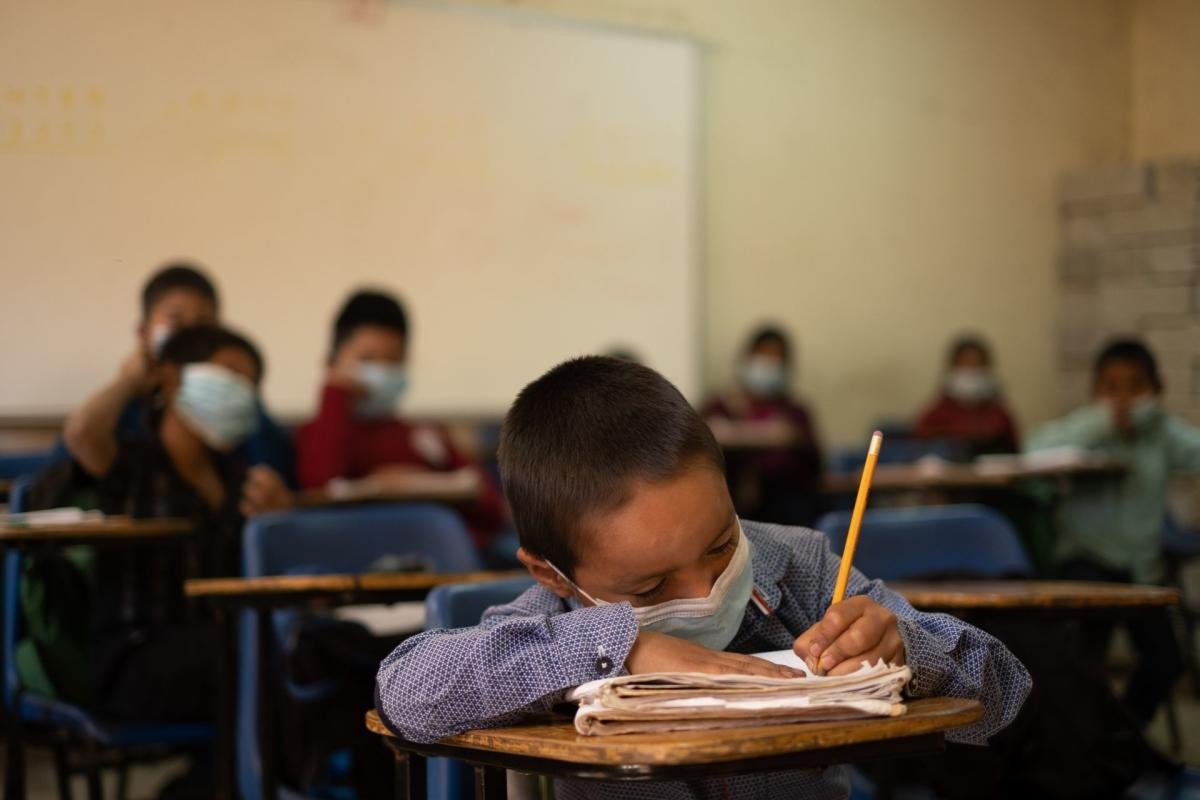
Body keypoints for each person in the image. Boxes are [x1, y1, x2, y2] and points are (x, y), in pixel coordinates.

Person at [376, 356, 1032, 800]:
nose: (706, 591)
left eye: (721, 546)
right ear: (552, 574)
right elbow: (405, 690)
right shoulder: (552, 624)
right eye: (651, 588)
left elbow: (1001, 692)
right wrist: (620, 647)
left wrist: (905, 655)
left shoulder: (801, 569)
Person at [19, 325, 290, 720]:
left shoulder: (240, 482)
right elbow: (81, 435)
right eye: (231, 374)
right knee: (264, 650)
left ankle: (233, 778)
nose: (242, 391)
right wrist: (130, 380)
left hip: (215, 647)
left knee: (284, 646)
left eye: (251, 383)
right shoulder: (131, 462)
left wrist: (274, 524)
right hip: (134, 657)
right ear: (174, 376)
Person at [1026, 338, 1200, 728]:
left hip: (1140, 568)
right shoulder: (1087, 427)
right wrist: (1101, 422)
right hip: (1085, 560)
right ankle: (1090, 746)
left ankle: (1123, 739)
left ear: (1157, 390)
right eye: (1110, 387)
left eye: (1135, 386)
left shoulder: (1164, 434)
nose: (1122, 398)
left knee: (1167, 660)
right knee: (1081, 658)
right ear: (1095, 392)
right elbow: (1034, 449)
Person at [295, 289, 506, 551]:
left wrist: (420, 481)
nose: (382, 370)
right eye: (367, 359)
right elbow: (319, 486)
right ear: (332, 363)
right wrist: (335, 393)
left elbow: (491, 508)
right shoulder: (315, 433)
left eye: (394, 360)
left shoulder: (428, 434)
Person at [60, 262, 297, 487]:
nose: (189, 333)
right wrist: (129, 382)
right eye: (175, 320)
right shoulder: (123, 411)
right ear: (144, 333)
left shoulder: (230, 404)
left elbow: (276, 468)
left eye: (203, 324)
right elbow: (76, 447)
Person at [703, 325, 823, 525]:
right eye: (762, 356)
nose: (768, 365)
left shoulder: (794, 412)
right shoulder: (721, 405)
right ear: (746, 358)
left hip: (787, 512)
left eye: (775, 359)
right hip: (731, 512)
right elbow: (705, 439)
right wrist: (766, 435)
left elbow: (814, 464)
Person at [914, 335, 1020, 455]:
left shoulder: (999, 414)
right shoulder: (938, 412)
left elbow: (1014, 449)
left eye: (977, 365)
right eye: (965, 365)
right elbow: (920, 442)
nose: (971, 372)